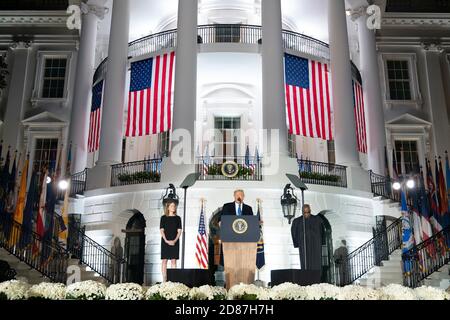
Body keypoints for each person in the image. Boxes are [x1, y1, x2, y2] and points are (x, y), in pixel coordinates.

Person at [291, 204, 323, 274]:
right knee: (305, 263)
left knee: (315, 263)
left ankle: (316, 277)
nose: (306, 214)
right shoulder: (297, 221)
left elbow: (321, 232)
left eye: (308, 212)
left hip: (315, 246)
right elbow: (294, 233)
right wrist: (297, 243)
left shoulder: (317, 220)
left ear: (310, 211)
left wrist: (321, 242)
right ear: (302, 212)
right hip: (303, 246)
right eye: (305, 213)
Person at [160, 201, 182, 282]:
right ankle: (164, 280)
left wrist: (174, 240)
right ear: (168, 207)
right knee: (164, 260)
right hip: (165, 241)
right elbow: (162, 230)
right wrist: (166, 240)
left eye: (174, 206)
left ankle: (173, 279)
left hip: (175, 241)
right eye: (172, 206)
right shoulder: (163, 218)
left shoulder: (178, 218)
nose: (173, 207)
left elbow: (179, 231)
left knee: (173, 260)